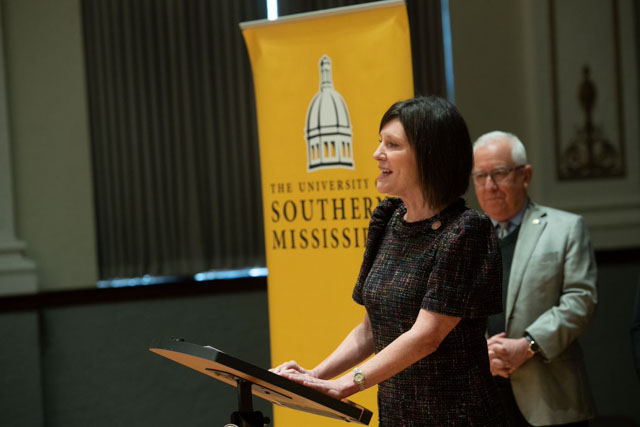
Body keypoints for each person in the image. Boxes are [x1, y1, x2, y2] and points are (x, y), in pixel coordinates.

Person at [272, 96, 507, 425]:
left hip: (458, 416)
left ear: (430, 157)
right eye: (380, 142)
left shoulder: (466, 231)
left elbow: (427, 335)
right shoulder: (387, 219)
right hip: (397, 416)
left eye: (392, 144)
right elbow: (371, 329)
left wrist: (345, 385)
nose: (376, 154)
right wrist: (316, 377)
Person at [472, 130, 598, 426]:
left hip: (552, 399)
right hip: (484, 397)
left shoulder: (566, 228)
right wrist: (481, 351)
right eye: (480, 176)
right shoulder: (464, 239)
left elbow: (581, 301)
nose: (490, 186)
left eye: (499, 173)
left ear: (525, 175)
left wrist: (528, 345)